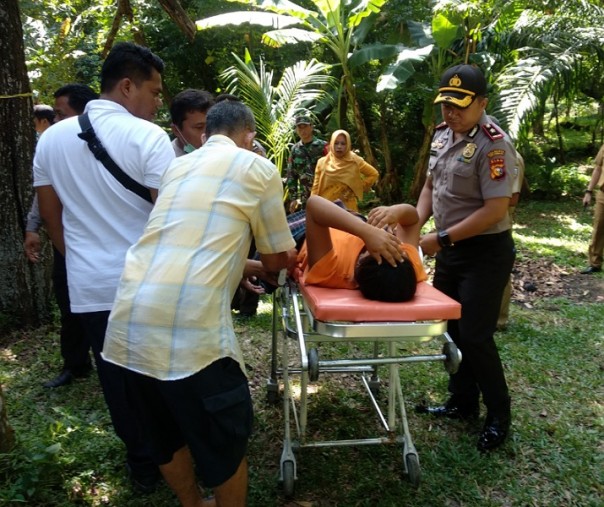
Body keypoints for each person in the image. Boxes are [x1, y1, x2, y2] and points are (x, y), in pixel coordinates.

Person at [102, 99, 296, 507]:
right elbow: (279, 261)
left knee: (164, 436)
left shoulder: (177, 167)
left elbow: (187, 241)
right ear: (250, 138)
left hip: (126, 324)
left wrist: (239, 264)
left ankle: (193, 505)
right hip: (191, 333)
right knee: (225, 446)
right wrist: (265, 267)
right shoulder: (258, 168)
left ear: (205, 134)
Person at [34, 42, 175, 491]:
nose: (157, 103)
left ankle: (141, 465)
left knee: (115, 379)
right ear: (128, 86)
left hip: (90, 283)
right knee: (161, 372)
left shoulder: (51, 139)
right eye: (154, 92)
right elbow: (169, 219)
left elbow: (51, 215)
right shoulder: (149, 138)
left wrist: (78, 258)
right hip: (147, 282)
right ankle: (174, 455)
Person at [415, 64, 516, 452]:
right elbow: (429, 186)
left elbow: (495, 210)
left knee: (475, 335)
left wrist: (440, 238)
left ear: (482, 103)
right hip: (450, 250)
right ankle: (462, 402)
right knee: (452, 330)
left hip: (485, 253)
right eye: (445, 104)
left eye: (460, 104)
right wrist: (415, 226)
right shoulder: (442, 136)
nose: (450, 112)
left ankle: (498, 414)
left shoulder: (494, 144)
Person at [25, 84, 99, 388]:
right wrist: (33, 227)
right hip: (66, 241)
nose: (54, 120)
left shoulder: (107, 144)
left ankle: (120, 367)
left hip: (103, 239)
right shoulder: (53, 146)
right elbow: (43, 195)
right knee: (68, 304)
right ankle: (76, 364)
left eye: (61, 113)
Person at [297, 195, 426, 301]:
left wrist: (367, 232)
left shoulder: (332, 270)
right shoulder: (405, 264)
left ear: (360, 262)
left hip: (312, 225)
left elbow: (313, 205)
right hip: (351, 217)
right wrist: (396, 211)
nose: (389, 235)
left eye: (384, 246)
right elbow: (412, 221)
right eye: (392, 241)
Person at [311, 129, 379, 212]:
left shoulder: (354, 160)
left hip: (347, 207)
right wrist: (312, 205)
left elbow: (374, 174)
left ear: (348, 145)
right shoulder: (322, 162)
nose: (339, 146)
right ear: (331, 144)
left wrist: (355, 188)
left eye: (343, 144)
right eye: (336, 143)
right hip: (327, 206)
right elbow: (316, 187)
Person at [285, 112, 328, 212]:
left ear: (311, 127)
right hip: (306, 197)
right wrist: (293, 198)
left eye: (305, 127)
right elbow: (291, 175)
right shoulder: (295, 150)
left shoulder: (323, 146)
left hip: (325, 193)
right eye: (300, 128)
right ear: (296, 130)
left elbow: (334, 168)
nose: (302, 130)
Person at [169, 88, 215, 156]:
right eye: (199, 127)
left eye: (211, 125)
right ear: (176, 130)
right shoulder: (167, 161)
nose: (208, 133)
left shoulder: (223, 152)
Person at [580, 143, 604, 274]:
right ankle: (595, 263)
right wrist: (588, 191)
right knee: (599, 228)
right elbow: (598, 168)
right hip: (602, 194)